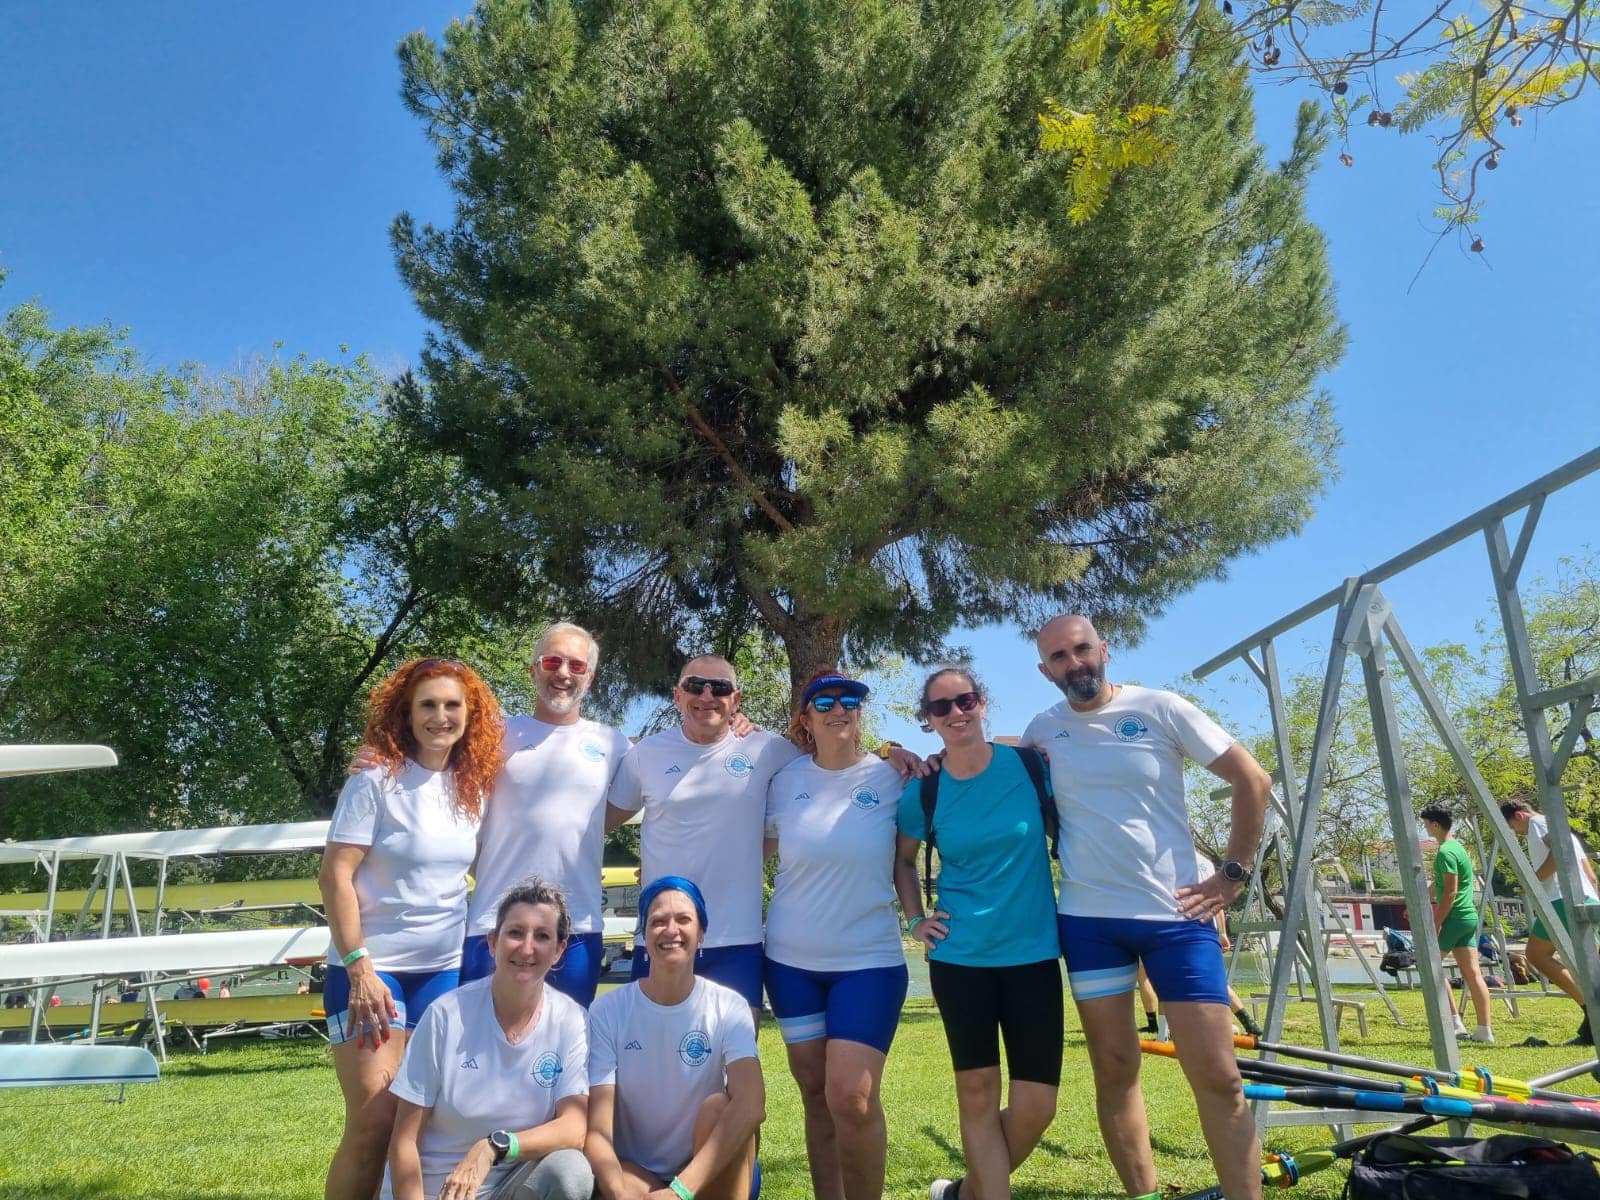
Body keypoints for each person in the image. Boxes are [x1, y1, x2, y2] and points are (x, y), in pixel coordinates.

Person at [1023, 614, 1271, 1200]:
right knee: (1114, 1071)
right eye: (1059, 657)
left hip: (1176, 920)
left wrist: (1231, 875)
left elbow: (1252, 780)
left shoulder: (1161, 707)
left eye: (1082, 649)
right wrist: (911, 754)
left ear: (1103, 649)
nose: (1074, 663)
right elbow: (987, 761)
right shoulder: (1041, 730)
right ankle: (1145, 1195)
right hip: (1088, 924)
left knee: (1219, 1076)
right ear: (1045, 670)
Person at [320, 657, 506, 1200]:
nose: (440, 716)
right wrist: (359, 966)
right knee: (374, 1123)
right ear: (406, 711)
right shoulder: (374, 779)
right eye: (428, 704)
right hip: (371, 973)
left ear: (470, 715)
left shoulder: (475, 787)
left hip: (442, 971)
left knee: (420, 1119)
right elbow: (335, 875)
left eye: (453, 705)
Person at [894, 666, 1062, 1200]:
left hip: (1033, 953)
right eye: (940, 707)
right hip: (959, 958)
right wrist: (916, 919)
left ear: (982, 703)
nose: (955, 713)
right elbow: (901, 863)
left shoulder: (1030, 766)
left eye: (964, 700)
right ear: (929, 720)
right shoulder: (924, 792)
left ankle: (965, 1193)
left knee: (1038, 1105)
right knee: (978, 1092)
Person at [764, 670, 909, 1200]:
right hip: (789, 961)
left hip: (867, 960)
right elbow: (740, 845)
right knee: (815, 1095)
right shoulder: (785, 779)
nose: (838, 708)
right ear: (804, 719)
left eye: (850, 700)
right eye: (822, 702)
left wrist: (905, 752)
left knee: (852, 1097)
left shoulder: (894, 777)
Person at [604, 654, 804, 1017]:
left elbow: (831, 763)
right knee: (647, 1060)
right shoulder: (645, 755)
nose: (707, 695)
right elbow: (596, 825)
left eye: (720, 688)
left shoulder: (767, 749)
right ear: (678, 696)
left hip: (737, 939)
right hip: (660, 936)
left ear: (736, 700)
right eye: (696, 686)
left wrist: (891, 755)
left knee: (737, 1060)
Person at [387, 878, 593, 1200]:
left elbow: (574, 1128)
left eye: (542, 936)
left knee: (571, 1171)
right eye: (515, 932)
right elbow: (404, 1140)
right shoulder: (446, 1015)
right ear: (493, 941)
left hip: (507, 1187)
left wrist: (493, 1146)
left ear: (558, 950)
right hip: (433, 1191)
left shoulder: (571, 1019)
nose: (527, 948)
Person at [460, 623, 632, 1006]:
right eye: (553, 661)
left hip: (576, 929)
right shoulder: (492, 736)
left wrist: (738, 728)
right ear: (534, 670)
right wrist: (377, 755)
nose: (564, 673)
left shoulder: (613, 743)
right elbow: (431, 763)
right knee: (483, 1052)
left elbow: (668, 766)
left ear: (590, 677)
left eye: (577, 665)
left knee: (564, 1051)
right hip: (494, 923)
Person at [586, 876, 764, 1200]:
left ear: (701, 934)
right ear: (643, 936)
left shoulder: (728, 1005)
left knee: (720, 1106)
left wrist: (679, 1191)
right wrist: (618, 1193)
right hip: (634, 1173)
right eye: (657, 921)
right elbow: (597, 1131)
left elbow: (752, 1104)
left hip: (706, 1168)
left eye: (684, 919)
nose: (671, 931)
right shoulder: (607, 1011)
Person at [1500, 798, 1597, 1044]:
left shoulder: (1537, 825)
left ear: (1519, 815)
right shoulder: (1560, 828)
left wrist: (1533, 881)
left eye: (1512, 826)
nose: (1516, 832)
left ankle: (1591, 1010)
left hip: (1561, 899)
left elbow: (1559, 854)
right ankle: (1592, 1016)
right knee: (1590, 963)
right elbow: (1589, 872)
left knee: (1536, 955)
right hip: (1586, 898)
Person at [1419, 803, 1494, 1043]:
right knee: (1473, 974)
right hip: (1467, 917)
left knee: (1431, 969)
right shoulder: (1457, 848)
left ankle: (1454, 1023)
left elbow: (1450, 892)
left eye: (1426, 824)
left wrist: (1436, 921)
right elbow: (1440, 885)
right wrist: (1419, 901)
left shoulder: (1445, 852)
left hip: (1454, 917)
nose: (1425, 828)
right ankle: (1484, 1031)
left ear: (1435, 824)